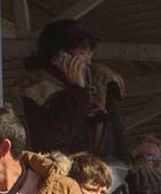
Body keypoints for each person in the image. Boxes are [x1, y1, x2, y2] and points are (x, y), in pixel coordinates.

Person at [21, 17, 124, 158]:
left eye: (90, 55)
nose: (88, 62)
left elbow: (117, 135)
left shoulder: (100, 86)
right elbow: (59, 135)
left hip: (99, 171)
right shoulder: (36, 91)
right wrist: (78, 92)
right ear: (60, 56)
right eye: (81, 54)